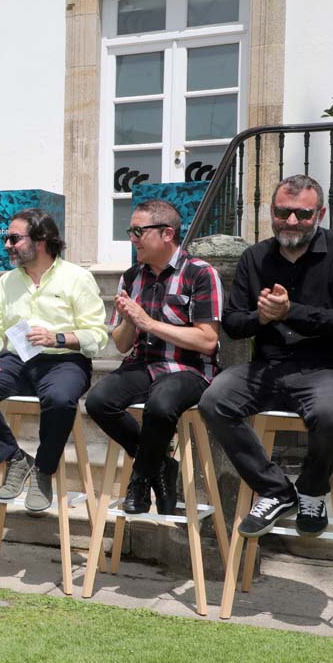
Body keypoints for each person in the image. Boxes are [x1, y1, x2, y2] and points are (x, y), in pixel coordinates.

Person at [199, 174, 333, 538]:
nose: (291, 221)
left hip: (332, 368)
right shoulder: (254, 257)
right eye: (282, 212)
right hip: (270, 367)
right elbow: (232, 323)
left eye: (302, 214)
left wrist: (290, 311)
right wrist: (260, 317)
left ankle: (311, 487)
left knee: (332, 416)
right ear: (272, 211)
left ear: (320, 213)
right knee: (214, 400)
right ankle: (276, 490)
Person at [0, 208, 108, 513]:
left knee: (60, 398)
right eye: (7, 238)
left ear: (40, 240)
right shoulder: (7, 282)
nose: (7, 245)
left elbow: (97, 336)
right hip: (18, 360)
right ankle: (15, 459)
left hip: (64, 360)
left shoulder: (77, 278)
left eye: (14, 238)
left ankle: (44, 470)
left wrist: (59, 337)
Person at [85, 200, 223, 515]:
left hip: (189, 368)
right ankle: (160, 464)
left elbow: (207, 340)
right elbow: (121, 345)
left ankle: (139, 479)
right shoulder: (131, 277)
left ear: (167, 234)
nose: (131, 238)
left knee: (160, 407)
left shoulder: (201, 274)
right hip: (141, 364)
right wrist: (130, 321)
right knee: (97, 402)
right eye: (130, 231)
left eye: (138, 231)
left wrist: (149, 322)